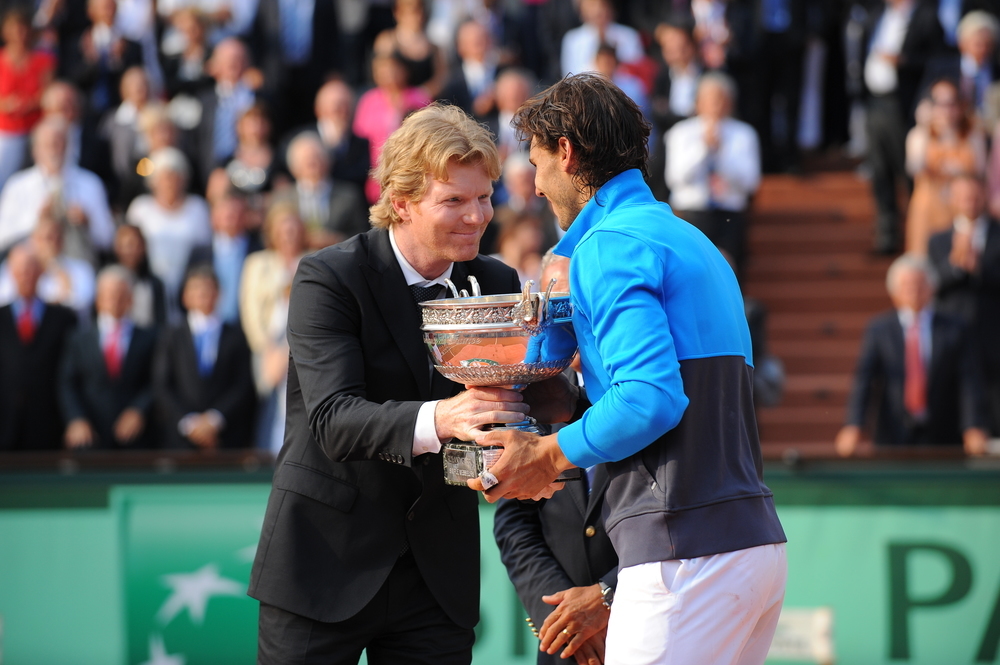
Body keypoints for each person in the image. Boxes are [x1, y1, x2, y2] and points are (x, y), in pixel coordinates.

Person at [468, 73, 787, 665]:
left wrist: (547, 454)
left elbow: (648, 398)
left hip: (681, 556)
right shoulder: (689, 240)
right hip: (750, 548)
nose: (536, 186)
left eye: (537, 164)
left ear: (566, 152)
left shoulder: (610, 245)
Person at [248, 103, 527, 665]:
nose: (477, 216)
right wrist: (443, 418)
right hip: (325, 560)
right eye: (454, 201)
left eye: (484, 197)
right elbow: (333, 420)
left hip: (436, 574)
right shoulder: (330, 277)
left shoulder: (495, 280)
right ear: (400, 202)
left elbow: (512, 401)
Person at [493, 252, 618, 665]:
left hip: (647, 623)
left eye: (574, 302)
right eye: (554, 304)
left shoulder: (647, 395)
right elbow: (515, 523)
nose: (565, 317)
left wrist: (606, 601)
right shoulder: (532, 399)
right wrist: (563, 618)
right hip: (565, 644)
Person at [835, 253, 990, 455]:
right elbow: (865, 379)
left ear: (932, 288)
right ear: (894, 292)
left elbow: (969, 380)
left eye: (920, 284)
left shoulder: (955, 328)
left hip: (943, 431)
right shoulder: (879, 330)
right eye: (907, 285)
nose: (914, 291)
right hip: (893, 431)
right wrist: (854, 425)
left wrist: (973, 425)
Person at [665, 72, 761, 274]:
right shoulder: (681, 133)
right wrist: (704, 148)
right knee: (691, 272)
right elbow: (676, 178)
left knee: (729, 271)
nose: (716, 105)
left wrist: (721, 152)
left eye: (721, 99)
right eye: (710, 99)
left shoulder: (744, 134)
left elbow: (750, 182)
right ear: (698, 102)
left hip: (729, 214)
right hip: (691, 213)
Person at [927, 175, 1000, 437]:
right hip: (952, 330)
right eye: (963, 196)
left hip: (993, 332)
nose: (970, 201)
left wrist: (978, 269)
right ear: (953, 200)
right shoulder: (938, 240)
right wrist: (956, 267)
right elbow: (933, 282)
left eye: (974, 195)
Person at [153, 265, 256, 449]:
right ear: (185, 297)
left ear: (219, 294)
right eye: (195, 288)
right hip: (180, 441)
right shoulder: (171, 336)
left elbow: (242, 384)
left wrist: (214, 420)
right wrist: (189, 424)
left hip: (226, 438)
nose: (202, 293)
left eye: (208, 287)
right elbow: (162, 384)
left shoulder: (235, 336)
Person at [58, 265, 159, 449]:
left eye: (121, 293)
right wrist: (76, 418)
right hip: (90, 434)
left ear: (131, 299)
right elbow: (67, 382)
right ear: (98, 300)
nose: (115, 299)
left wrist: (139, 410)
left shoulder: (149, 338)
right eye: (109, 294)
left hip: (136, 436)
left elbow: (156, 380)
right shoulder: (79, 339)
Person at [239, 201, 307, 455]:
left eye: (293, 229)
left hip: (304, 347)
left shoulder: (314, 259)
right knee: (269, 410)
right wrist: (269, 351)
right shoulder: (257, 263)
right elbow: (250, 311)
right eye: (283, 229)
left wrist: (291, 350)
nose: (289, 235)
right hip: (267, 349)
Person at [0, 116, 115, 263]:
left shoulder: (91, 184)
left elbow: (108, 241)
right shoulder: (17, 186)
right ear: (35, 150)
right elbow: (3, 238)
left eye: (59, 143)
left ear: (69, 147)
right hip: (32, 268)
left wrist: (87, 222)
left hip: (79, 266)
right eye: (47, 144)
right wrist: (37, 220)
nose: (54, 150)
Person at [0, 243, 77, 451]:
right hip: (5, 423)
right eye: (20, 270)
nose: (26, 275)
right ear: (11, 273)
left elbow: (71, 371)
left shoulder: (64, 319)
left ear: (41, 272)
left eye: (31, 269)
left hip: (49, 424)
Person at [125, 146, 211, 314]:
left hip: (187, 284)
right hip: (149, 284)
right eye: (164, 177)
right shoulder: (140, 208)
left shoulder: (197, 208)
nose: (170, 182)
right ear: (153, 181)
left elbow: (205, 249)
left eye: (175, 176)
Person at [904, 78, 985, 255]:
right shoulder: (919, 135)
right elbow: (914, 167)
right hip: (928, 210)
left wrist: (960, 173)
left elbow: (980, 174)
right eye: (939, 104)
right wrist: (923, 126)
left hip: (962, 211)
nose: (946, 110)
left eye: (951, 104)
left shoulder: (972, 135)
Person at [280, 131, 368, 249]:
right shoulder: (281, 198)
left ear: (328, 160)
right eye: (307, 161)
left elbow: (363, 235)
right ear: (294, 167)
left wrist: (337, 240)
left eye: (317, 158)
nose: (313, 164)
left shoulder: (349, 196)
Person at [0, 8, 56, 189]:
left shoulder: (44, 60)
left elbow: (48, 93)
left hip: (36, 126)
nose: (19, 34)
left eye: (23, 28)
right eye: (14, 28)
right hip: (7, 129)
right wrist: (6, 105)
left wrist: (28, 104)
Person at [186, 192, 262, 323]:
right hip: (211, 326)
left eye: (235, 213)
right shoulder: (200, 253)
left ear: (245, 216)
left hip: (248, 323)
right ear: (213, 216)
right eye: (225, 213)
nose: (230, 218)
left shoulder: (258, 250)